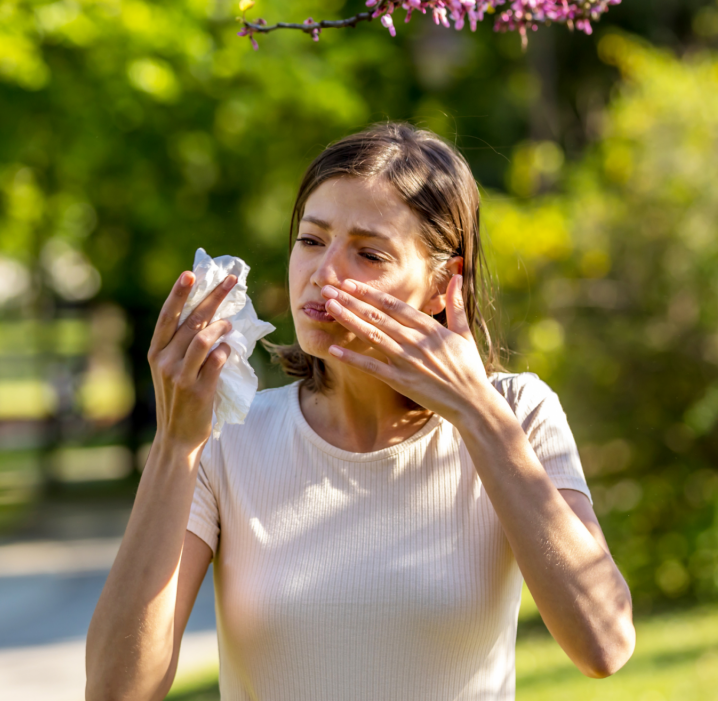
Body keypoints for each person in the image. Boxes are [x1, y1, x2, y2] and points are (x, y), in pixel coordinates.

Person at [86, 123, 635, 701]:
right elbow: (116, 693)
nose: (323, 274)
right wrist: (174, 444)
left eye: (369, 253)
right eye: (311, 240)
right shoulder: (228, 436)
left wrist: (478, 413)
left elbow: (604, 645)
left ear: (443, 285)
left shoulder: (518, 414)